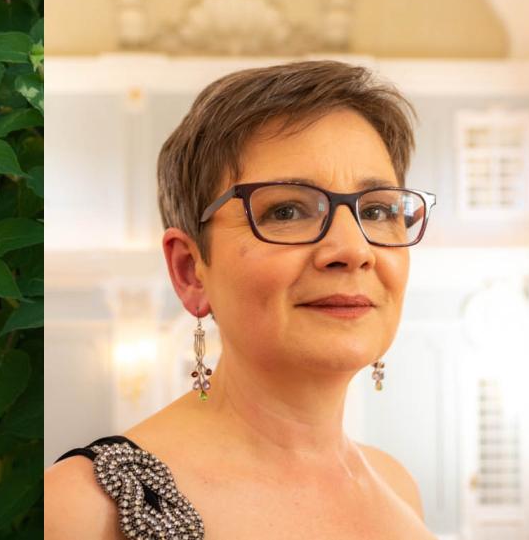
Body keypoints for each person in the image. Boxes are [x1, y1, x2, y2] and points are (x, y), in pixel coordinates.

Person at [45, 60, 439, 539]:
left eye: (377, 210)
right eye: (287, 210)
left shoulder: (398, 485)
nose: (354, 250)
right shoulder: (84, 509)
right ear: (191, 271)